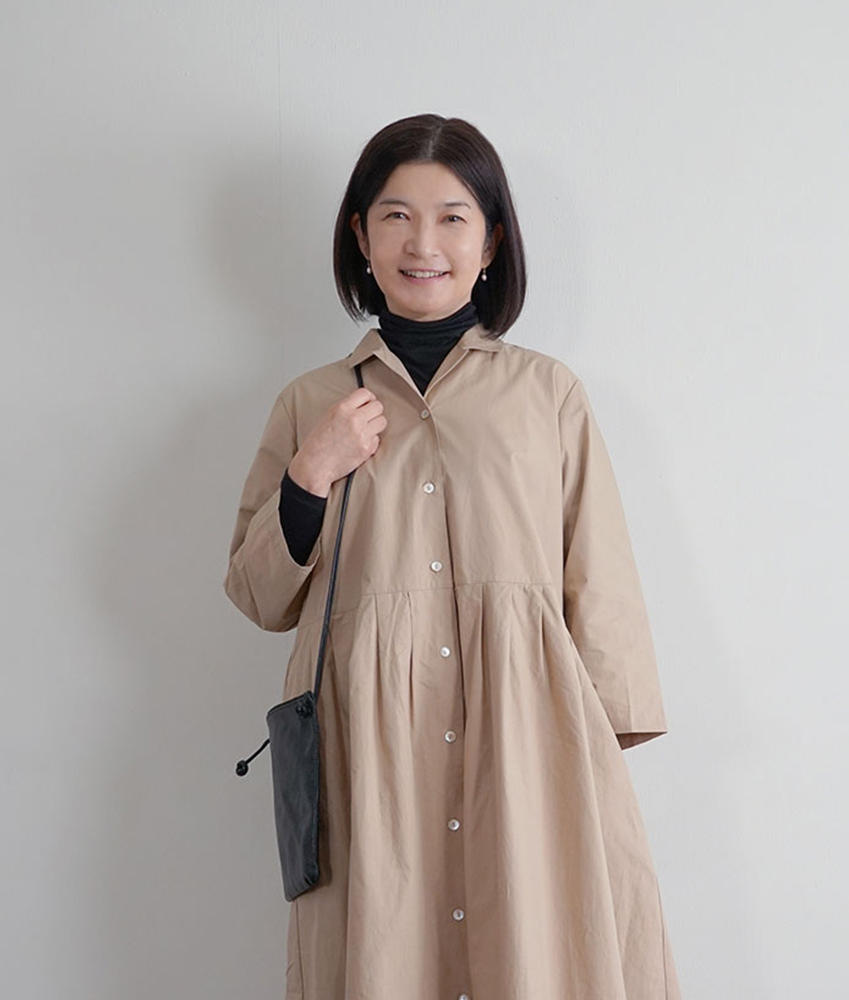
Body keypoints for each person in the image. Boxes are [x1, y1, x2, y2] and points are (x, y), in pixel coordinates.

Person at [223, 113, 681, 1000]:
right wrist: (310, 475)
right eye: (395, 216)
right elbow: (256, 592)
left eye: (452, 217)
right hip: (370, 742)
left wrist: (598, 741)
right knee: (387, 955)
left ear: (491, 241)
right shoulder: (309, 402)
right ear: (360, 237)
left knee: (539, 952)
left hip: (527, 729)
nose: (422, 243)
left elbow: (598, 569)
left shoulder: (546, 393)